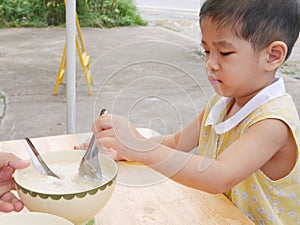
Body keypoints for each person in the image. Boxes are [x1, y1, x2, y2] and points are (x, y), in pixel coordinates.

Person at [89, 0, 300, 224]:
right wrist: (125, 146)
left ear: (273, 56)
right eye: (206, 51)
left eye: (225, 52)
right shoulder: (222, 102)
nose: (210, 63)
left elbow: (219, 176)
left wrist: (140, 148)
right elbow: (176, 141)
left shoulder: (273, 122)